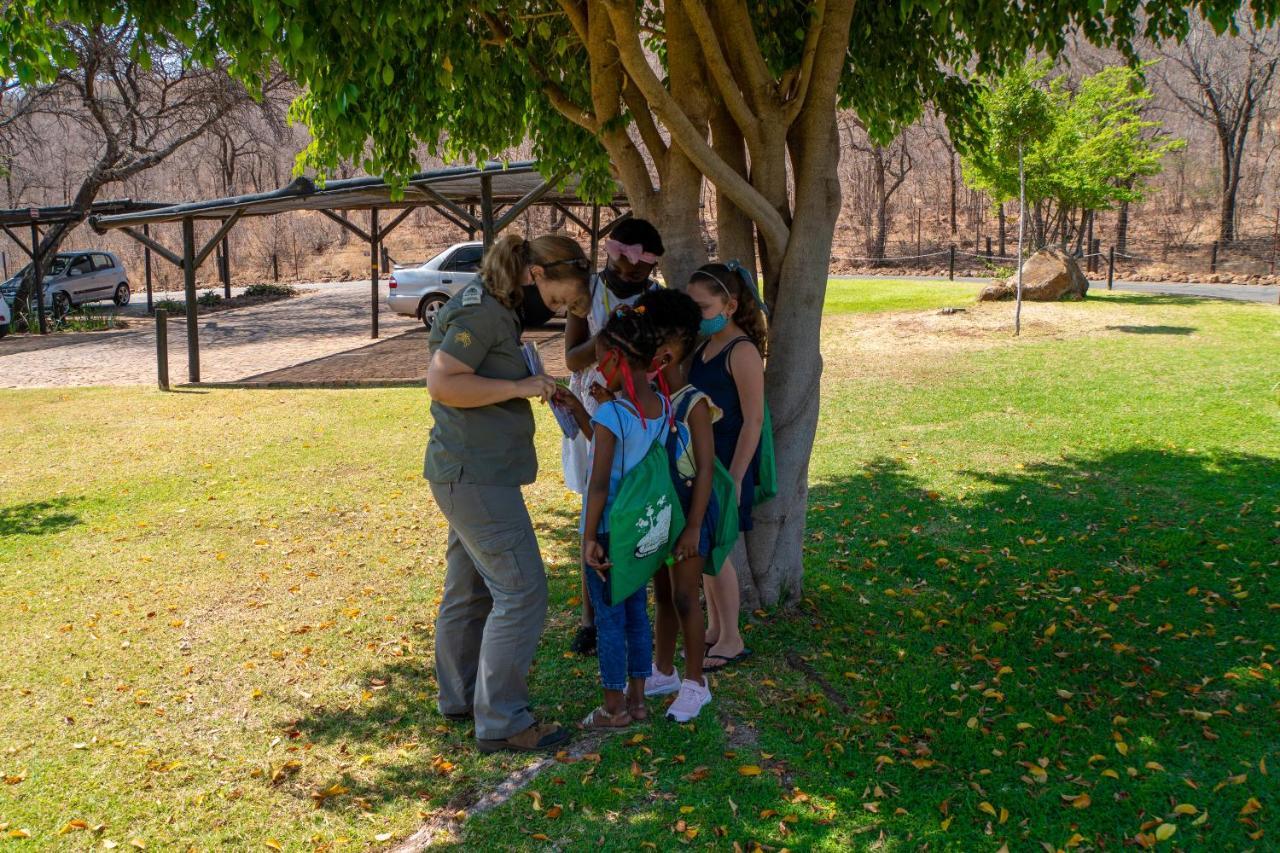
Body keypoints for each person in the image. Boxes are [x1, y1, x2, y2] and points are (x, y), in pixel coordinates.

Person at [424, 233, 590, 753]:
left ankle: (460, 697)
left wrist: (534, 381)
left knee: (470, 591)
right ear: (537, 274)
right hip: (476, 475)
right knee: (521, 593)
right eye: (560, 298)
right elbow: (444, 383)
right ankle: (502, 721)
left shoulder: (494, 301)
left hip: (467, 470)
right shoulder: (485, 311)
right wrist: (519, 388)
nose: (559, 309)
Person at [556, 306, 668, 729]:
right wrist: (587, 412)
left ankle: (613, 708)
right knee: (638, 613)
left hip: (605, 530)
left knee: (609, 620)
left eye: (602, 362)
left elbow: (600, 482)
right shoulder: (660, 408)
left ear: (618, 361)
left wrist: (588, 539)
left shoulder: (613, 414)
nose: (597, 372)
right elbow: (617, 449)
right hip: (641, 530)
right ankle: (638, 701)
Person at [562, 219, 665, 657]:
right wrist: (608, 338)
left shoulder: (656, 297)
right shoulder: (588, 294)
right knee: (594, 504)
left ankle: (638, 600)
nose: (629, 276)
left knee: (634, 503)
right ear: (610, 254)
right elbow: (570, 357)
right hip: (591, 406)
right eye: (623, 268)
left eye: (638, 272)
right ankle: (590, 617)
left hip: (638, 411)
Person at [638, 288, 718, 721]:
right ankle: (663, 670)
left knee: (687, 597)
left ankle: (695, 683)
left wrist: (692, 527)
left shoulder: (694, 404)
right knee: (664, 594)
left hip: (689, 512)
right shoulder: (652, 400)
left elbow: (704, 470)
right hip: (659, 512)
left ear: (666, 354)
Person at [687, 262, 768, 673]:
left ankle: (732, 638)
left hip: (726, 469)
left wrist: (735, 478)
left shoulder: (743, 351)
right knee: (704, 552)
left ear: (730, 305)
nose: (696, 314)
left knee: (717, 554)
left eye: (702, 307)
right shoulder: (704, 346)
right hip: (702, 467)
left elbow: (754, 421)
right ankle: (715, 629)